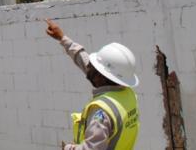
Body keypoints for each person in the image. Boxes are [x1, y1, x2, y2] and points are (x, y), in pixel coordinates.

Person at [45, 19, 140, 150]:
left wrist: (68, 148)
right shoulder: (127, 95)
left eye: (94, 67)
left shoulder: (102, 111)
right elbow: (85, 63)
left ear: (101, 76)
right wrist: (63, 38)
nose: (89, 66)